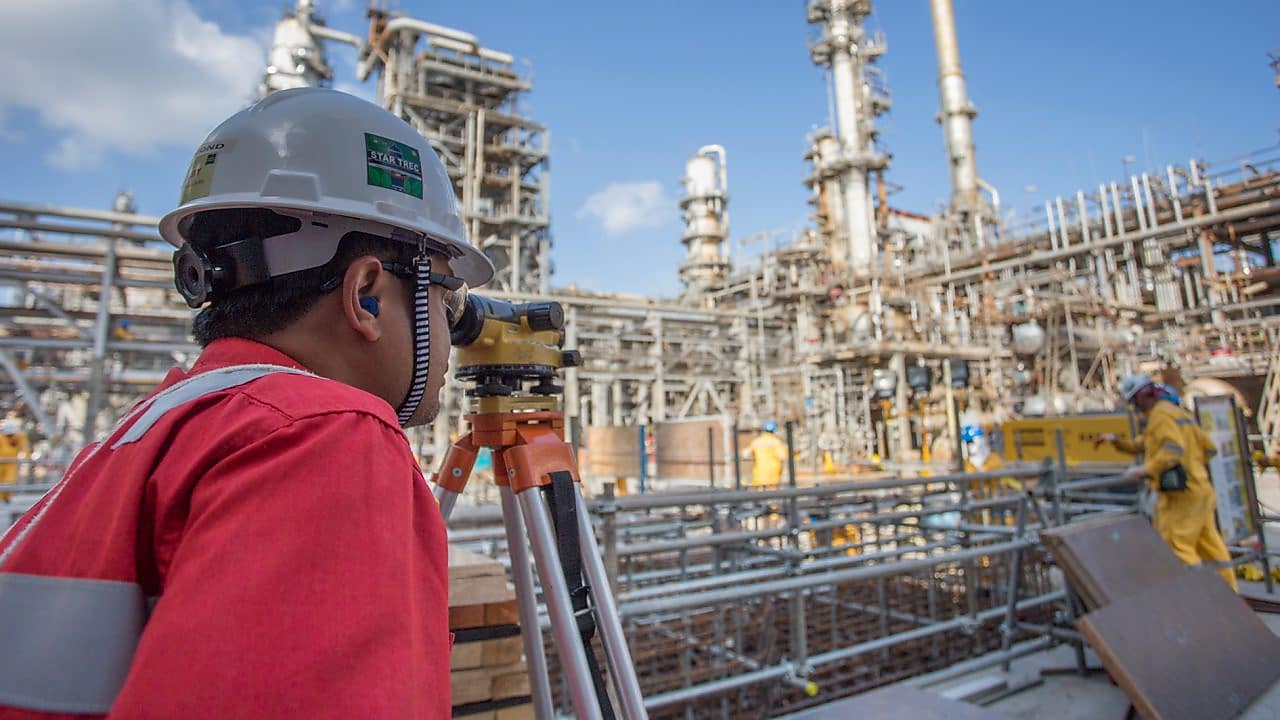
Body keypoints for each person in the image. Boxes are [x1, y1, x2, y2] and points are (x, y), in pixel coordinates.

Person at [0, 88, 493, 718]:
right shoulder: (318, 439)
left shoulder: (160, 428)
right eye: (446, 300)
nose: (453, 334)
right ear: (366, 293)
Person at [1095, 373, 1237, 591]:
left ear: (1143, 396)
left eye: (1134, 401)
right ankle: (1229, 593)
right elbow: (1209, 448)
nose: (1134, 407)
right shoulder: (1175, 413)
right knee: (1210, 546)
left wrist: (1146, 469)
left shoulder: (1160, 417)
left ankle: (1199, 595)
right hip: (1201, 489)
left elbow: (1172, 449)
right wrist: (1116, 441)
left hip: (1181, 495)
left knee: (1176, 545)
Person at [745, 420, 788, 490]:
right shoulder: (776, 442)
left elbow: (746, 454)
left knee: (761, 496)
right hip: (773, 473)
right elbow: (783, 456)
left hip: (759, 473)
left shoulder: (757, 441)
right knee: (773, 495)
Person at [0, 418, 29, 502]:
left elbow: (25, 448)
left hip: (12, 464)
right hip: (1, 463)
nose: (10, 436)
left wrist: (24, 457)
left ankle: (6, 500)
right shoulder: (1, 438)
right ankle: (2, 501)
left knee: (9, 482)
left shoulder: (20, 437)